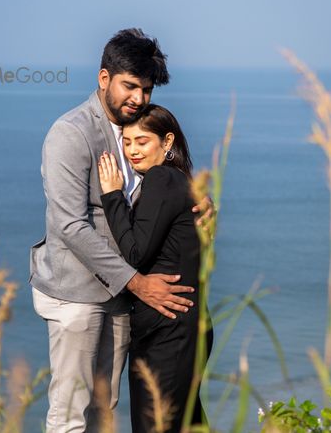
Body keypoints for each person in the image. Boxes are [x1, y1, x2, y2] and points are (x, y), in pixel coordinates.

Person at [30, 28, 213, 432]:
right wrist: (137, 283)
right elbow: (70, 224)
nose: (139, 98)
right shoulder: (70, 133)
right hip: (75, 293)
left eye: (146, 89)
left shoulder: (139, 128)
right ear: (103, 78)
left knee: (105, 410)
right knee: (70, 415)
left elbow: (157, 196)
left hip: (120, 298)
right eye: (130, 86)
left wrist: (198, 200)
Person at [97, 104, 214, 432]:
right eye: (127, 141)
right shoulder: (182, 182)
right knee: (185, 424)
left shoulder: (161, 178)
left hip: (168, 332)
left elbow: (134, 252)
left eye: (142, 141)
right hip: (184, 327)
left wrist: (112, 196)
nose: (132, 150)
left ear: (167, 142)